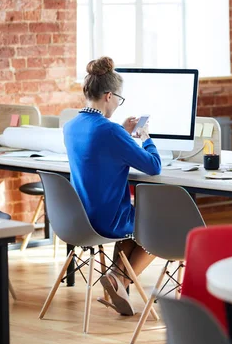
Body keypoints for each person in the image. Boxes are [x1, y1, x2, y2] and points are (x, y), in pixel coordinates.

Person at [63, 56, 161, 315]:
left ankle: (116, 284)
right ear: (108, 95)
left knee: (135, 221)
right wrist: (146, 137)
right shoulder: (110, 131)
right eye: (119, 98)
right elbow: (154, 166)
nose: (119, 103)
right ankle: (120, 280)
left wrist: (122, 133)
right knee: (158, 226)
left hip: (77, 218)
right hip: (107, 220)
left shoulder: (71, 126)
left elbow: (100, 149)